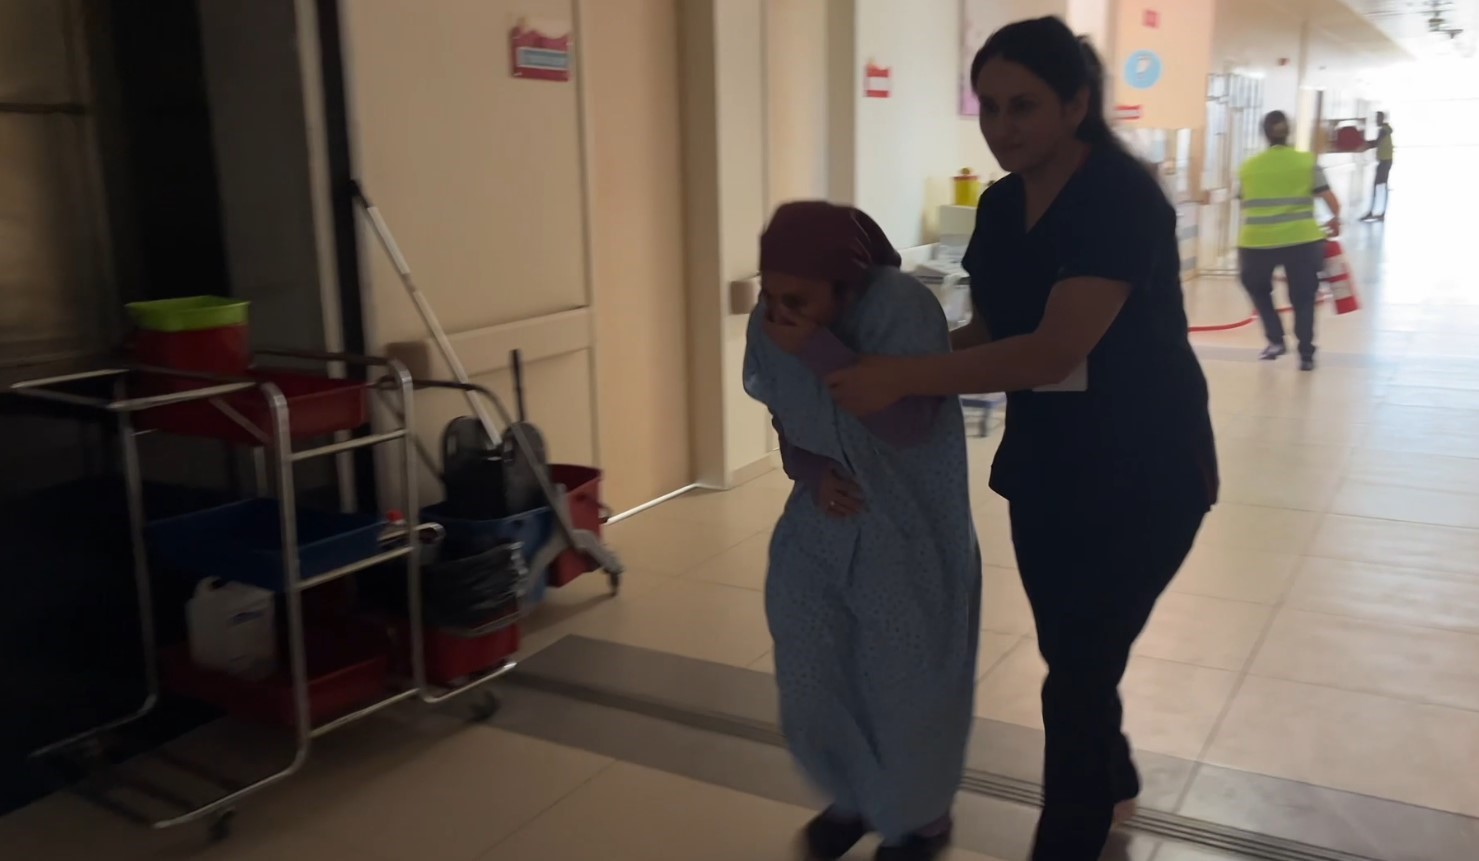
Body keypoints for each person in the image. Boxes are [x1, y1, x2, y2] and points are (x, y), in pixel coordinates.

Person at [822, 18, 1219, 861]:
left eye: (1024, 106)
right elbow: (993, 330)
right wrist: (885, 361)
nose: (1002, 127)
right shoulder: (1000, 205)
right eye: (989, 107)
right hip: (1048, 467)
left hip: (1147, 471)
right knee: (1070, 650)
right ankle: (1111, 770)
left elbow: (1051, 351)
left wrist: (902, 378)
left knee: (1076, 669)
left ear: (1075, 104)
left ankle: (1068, 836)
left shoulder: (1117, 196)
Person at [743, 201, 981, 861]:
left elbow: (908, 424)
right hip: (821, 524)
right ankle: (852, 796)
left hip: (908, 533)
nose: (778, 312)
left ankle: (921, 820)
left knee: (907, 686)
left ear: (844, 287)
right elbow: (786, 413)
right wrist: (812, 470)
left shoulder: (899, 310)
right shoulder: (773, 321)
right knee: (815, 669)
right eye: (769, 294)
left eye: (797, 298)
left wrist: (818, 350)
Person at [1237, 110, 1341, 371]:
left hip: (1257, 243)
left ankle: (1275, 340)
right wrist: (1335, 220)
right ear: (1289, 132)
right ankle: (1306, 354)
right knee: (1303, 298)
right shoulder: (1306, 162)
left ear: (1264, 134)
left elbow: (1244, 202)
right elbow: (1331, 201)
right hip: (1302, 241)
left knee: (1258, 289)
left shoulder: (1249, 167)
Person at [1362, 111, 1394, 221]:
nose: (1376, 120)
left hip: (1385, 162)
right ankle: (1379, 213)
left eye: (1378, 118)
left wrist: (1363, 145)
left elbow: (1376, 143)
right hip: (1385, 161)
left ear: (1382, 119)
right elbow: (1377, 143)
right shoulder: (1386, 130)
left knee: (1379, 186)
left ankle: (1374, 212)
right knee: (1381, 186)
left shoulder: (1383, 130)